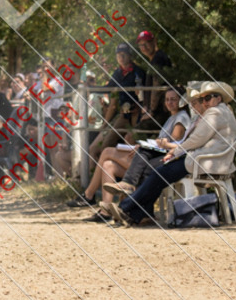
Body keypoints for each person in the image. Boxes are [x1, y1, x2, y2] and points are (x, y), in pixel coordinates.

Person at [102, 81, 236, 225]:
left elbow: (196, 139)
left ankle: (126, 208)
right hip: (206, 160)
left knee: (159, 173)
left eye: (207, 98)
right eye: (202, 99)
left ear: (218, 98)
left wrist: (175, 152)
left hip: (203, 161)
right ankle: (133, 213)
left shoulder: (214, 112)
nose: (204, 102)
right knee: (158, 173)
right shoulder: (223, 111)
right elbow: (198, 140)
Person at [75, 86, 190, 219]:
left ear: (181, 101)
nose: (169, 102)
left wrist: (148, 146)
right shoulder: (172, 117)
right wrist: (144, 145)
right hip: (151, 156)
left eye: (173, 99)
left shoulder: (181, 117)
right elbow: (162, 142)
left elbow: (171, 142)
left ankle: (89, 195)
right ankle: (105, 211)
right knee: (108, 165)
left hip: (158, 160)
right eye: (167, 99)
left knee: (107, 151)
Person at [87, 44, 146, 162]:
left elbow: (145, 93)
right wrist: (90, 88)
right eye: (119, 55)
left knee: (133, 143)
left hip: (137, 113)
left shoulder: (139, 72)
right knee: (107, 144)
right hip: (123, 114)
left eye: (124, 54)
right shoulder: (118, 73)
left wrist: (141, 108)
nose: (121, 57)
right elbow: (108, 88)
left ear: (130, 56)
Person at [135, 30, 174, 132]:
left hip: (160, 113)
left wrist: (151, 112)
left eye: (146, 43)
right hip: (156, 111)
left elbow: (157, 88)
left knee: (132, 137)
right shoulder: (154, 60)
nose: (144, 47)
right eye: (140, 45)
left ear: (154, 41)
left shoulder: (158, 59)